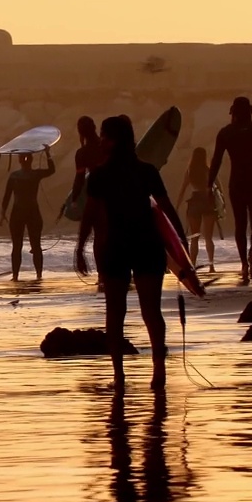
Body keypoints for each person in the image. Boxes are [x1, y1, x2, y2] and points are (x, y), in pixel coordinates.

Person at [75, 115, 185, 391]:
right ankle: (158, 370)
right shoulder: (147, 171)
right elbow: (166, 208)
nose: (100, 141)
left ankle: (120, 376)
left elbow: (89, 215)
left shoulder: (99, 175)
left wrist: (80, 247)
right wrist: (181, 245)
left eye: (103, 136)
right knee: (152, 311)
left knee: (115, 312)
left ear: (112, 140)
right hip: (147, 244)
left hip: (116, 246)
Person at [209, 96, 252, 283]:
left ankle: (244, 263)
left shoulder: (225, 133)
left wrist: (209, 185)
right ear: (250, 112)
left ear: (233, 113)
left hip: (237, 182)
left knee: (240, 223)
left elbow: (216, 161)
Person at [0, 146, 56, 280]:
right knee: (36, 245)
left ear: (19, 160)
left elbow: (7, 196)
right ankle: (38, 275)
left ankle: (15, 276)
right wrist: (48, 154)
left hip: (17, 212)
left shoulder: (14, 176)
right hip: (33, 212)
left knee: (17, 246)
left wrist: (3, 213)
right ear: (31, 160)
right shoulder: (35, 174)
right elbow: (51, 170)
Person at [174, 147, 219, 271]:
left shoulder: (190, 171)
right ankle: (211, 265)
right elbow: (218, 187)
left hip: (194, 202)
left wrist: (177, 206)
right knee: (208, 237)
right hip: (207, 202)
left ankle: (192, 265)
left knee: (195, 237)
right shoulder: (208, 170)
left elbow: (183, 189)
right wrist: (221, 204)